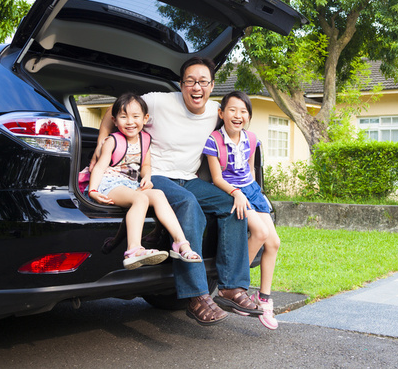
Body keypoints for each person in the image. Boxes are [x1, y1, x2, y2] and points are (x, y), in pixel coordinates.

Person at [92, 57, 262, 326]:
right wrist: (101, 149)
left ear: (212, 86)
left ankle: (232, 287)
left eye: (203, 82)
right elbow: (111, 114)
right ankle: (196, 296)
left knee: (231, 204)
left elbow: (236, 133)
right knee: (187, 203)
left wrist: (243, 187)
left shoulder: (217, 112)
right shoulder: (158, 101)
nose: (197, 87)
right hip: (154, 176)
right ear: (181, 84)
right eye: (191, 81)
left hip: (189, 177)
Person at [87, 93, 202, 270]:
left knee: (157, 194)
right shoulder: (112, 141)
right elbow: (100, 167)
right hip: (110, 183)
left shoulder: (145, 140)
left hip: (131, 184)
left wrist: (147, 177)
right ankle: (133, 250)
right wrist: (93, 190)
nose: (130, 122)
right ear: (115, 120)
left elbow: (146, 165)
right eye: (123, 117)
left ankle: (181, 244)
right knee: (141, 199)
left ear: (145, 118)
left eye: (135, 116)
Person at [203, 90, 281, 330]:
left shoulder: (252, 139)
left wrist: (256, 192)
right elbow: (216, 178)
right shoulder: (214, 140)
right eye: (233, 110)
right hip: (231, 191)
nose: (238, 115)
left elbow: (250, 169)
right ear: (221, 113)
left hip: (251, 191)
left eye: (244, 111)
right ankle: (232, 286)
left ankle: (264, 298)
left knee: (274, 243)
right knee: (259, 233)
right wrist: (236, 193)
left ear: (249, 116)